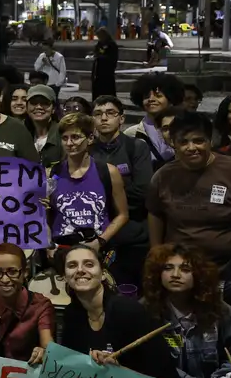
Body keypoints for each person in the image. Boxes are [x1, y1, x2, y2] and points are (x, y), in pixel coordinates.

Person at [147, 111, 231, 314]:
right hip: (181, 272)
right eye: (184, 142)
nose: (192, 148)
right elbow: (155, 214)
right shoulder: (163, 176)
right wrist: (156, 257)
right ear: (172, 142)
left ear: (210, 141)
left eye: (199, 141)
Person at [58, 244, 176, 378]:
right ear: (64, 277)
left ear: (103, 274)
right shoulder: (71, 314)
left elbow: (163, 375)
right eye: (72, 265)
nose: (80, 270)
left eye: (89, 264)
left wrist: (118, 370)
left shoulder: (127, 310)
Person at [141, 244, 231, 378]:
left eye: (185, 269)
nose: (175, 275)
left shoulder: (220, 311)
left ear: (198, 275)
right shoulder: (145, 311)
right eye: (168, 268)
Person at [90, 96, 153, 286]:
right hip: (97, 233)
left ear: (121, 119)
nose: (104, 118)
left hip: (132, 235)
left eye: (110, 113)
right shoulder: (88, 151)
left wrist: (104, 191)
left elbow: (142, 192)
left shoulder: (136, 147)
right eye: (98, 114)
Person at [48, 113, 129, 255]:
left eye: (75, 137)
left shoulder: (108, 172)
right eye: (65, 138)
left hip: (97, 247)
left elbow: (122, 215)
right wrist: (49, 245)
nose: (69, 143)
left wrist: (101, 241)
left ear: (90, 138)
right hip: (61, 248)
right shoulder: (51, 174)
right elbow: (42, 215)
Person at [124, 72, 185, 169]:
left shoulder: (185, 129)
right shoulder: (131, 134)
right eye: (146, 96)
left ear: (171, 98)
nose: (151, 99)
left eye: (158, 95)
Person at [24, 85, 62, 168]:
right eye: (34, 103)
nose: (39, 107)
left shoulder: (62, 134)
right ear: (26, 107)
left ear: (53, 108)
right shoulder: (19, 132)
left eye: (45, 103)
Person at [91, 28, 119, 99]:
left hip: (107, 71)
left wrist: (101, 57)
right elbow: (96, 51)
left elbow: (112, 57)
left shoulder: (111, 44)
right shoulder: (100, 43)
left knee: (108, 90)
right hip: (98, 71)